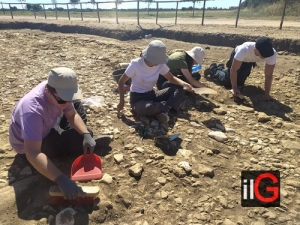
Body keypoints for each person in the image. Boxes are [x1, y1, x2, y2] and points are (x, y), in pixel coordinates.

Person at [9, 67, 111, 200]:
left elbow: (72, 114)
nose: (67, 103)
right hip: (31, 144)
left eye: (70, 98)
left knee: (82, 121)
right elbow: (32, 153)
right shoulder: (32, 111)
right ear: (48, 91)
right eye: (63, 100)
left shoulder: (57, 93)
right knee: (75, 139)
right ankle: (66, 138)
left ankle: (75, 136)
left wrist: (85, 134)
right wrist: (61, 179)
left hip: (48, 125)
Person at [116, 40, 194, 123]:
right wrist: (121, 102)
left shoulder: (160, 64)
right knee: (149, 107)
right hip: (138, 99)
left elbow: (171, 78)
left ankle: (164, 109)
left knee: (179, 88)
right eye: (156, 60)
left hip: (152, 94)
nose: (158, 62)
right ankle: (163, 109)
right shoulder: (135, 64)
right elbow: (121, 81)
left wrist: (185, 84)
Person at [209, 36, 277, 101]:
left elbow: (269, 75)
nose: (266, 57)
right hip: (238, 58)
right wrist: (234, 88)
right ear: (255, 50)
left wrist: (267, 94)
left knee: (240, 84)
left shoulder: (271, 53)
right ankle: (214, 69)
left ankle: (223, 70)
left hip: (249, 61)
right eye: (263, 54)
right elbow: (234, 70)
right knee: (227, 83)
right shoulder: (243, 50)